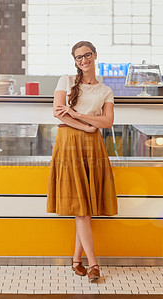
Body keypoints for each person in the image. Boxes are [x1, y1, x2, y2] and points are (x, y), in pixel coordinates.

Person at [47, 41, 118, 283]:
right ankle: (93, 265)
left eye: (87, 55)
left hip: (92, 146)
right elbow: (58, 111)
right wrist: (86, 127)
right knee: (81, 207)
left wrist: (77, 115)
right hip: (70, 142)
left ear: (95, 55)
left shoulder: (105, 90)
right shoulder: (66, 80)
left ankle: (77, 260)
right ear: (74, 60)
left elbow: (107, 122)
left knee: (84, 207)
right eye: (78, 57)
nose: (83, 60)